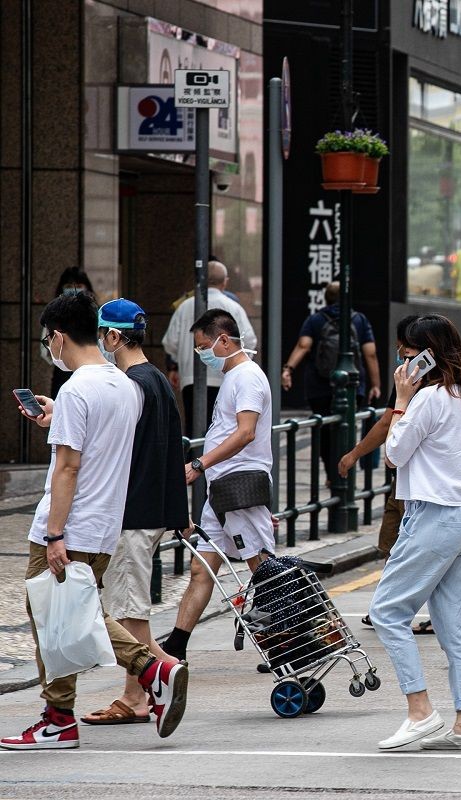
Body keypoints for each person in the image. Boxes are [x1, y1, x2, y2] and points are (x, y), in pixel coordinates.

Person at [3, 293, 187, 750]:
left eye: (49, 340)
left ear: (60, 337)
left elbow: (67, 467)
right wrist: (57, 418)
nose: (51, 348)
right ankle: (61, 717)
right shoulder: (124, 385)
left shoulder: (76, 389)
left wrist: (54, 533)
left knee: (58, 616)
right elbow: (102, 445)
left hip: (71, 523)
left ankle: (149, 670)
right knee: (69, 616)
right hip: (106, 525)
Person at [71, 300, 192, 726]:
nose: (100, 342)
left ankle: (158, 675)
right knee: (129, 604)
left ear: (114, 336)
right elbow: (173, 450)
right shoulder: (156, 379)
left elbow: (110, 451)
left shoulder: (130, 384)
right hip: (153, 511)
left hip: (131, 514)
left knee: (127, 609)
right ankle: (135, 693)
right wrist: (179, 513)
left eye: (103, 334)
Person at [372, 314, 461, 752]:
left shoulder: (427, 399)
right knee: (455, 624)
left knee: (386, 611)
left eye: (406, 351)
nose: (401, 359)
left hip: (434, 517)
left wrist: (401, 400)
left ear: (426, 355)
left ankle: (420, 710)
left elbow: (395, 454)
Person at [161, 310, 274, 663]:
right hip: (223, 489)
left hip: (240, 487)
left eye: (203, 347)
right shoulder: (235, 376)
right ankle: (176, 646)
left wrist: (199, 463)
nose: (201, 355)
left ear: (224, 340)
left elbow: (245, 432)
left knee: (263, 567)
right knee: (202, 567)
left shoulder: (247, 378)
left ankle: (289, 641)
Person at [337, 316, 421, 629]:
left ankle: (391, 609)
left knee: (399, 544)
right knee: (396, 542)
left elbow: (389, 430)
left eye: (406, 350)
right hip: (407, 481)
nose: (401, 356)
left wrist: (355, 453)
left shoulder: (417, 384)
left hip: (413, 482)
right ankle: (387, 606)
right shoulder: (427, 381)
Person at [281, 281, 381, 484]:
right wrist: (376, 384)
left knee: (324, 429)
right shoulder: (359, 320)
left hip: (320, 386)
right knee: (347, 427)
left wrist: (288, 369)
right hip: (352, 384)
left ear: (325, 298)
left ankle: (331, 474)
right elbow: (370, 354)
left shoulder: (316, 320)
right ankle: (345, 472)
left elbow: (303, 345)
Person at [162, 260, 258, 435]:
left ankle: (197, 460)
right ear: (225, 282)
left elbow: (170, 342)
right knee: (223, 428)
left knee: (194, 430)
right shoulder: (233, 307)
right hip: (223, 379)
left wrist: (174, 367)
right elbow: (249, 339)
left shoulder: (184, 307)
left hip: (190, 378)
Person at [42, 267, 95, 398]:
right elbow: (45, 352)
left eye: (78, 285)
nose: (74, 289)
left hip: (91, 369)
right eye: (69, 286)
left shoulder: (94, 313)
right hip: (63, 372)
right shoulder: (54, 314)